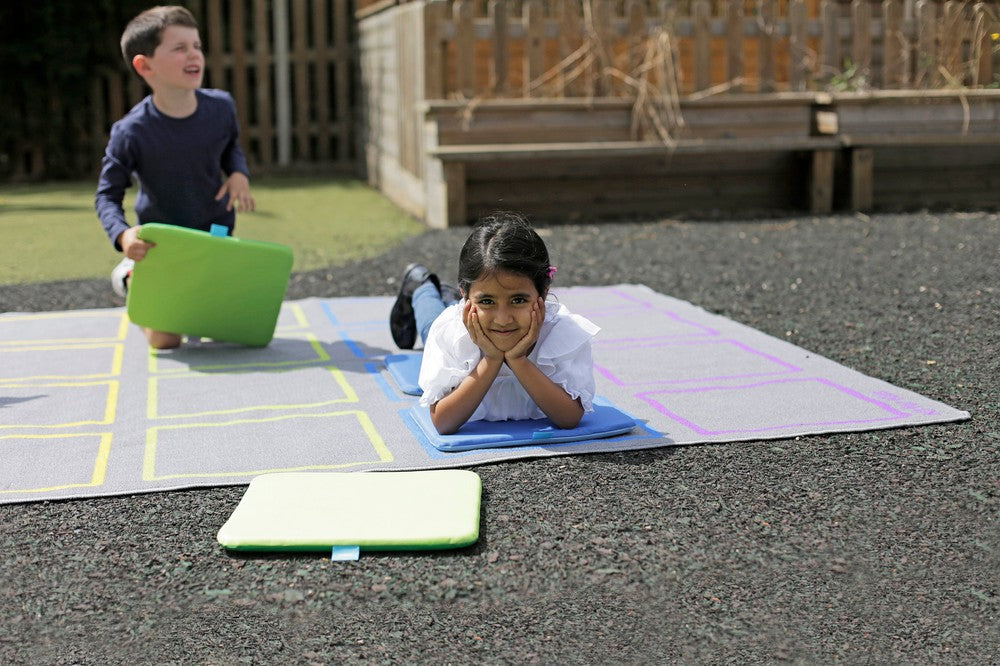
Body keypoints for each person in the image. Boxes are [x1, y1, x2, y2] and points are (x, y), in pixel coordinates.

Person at [94, 5, 256, 349]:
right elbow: (107, 195)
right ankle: (129, 278)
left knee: (233, 332)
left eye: (196, 46)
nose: (194, 54)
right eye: (179, 48)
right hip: (162, 248)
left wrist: (239, 172)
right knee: (166, 342)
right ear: (145, 65)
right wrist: (123, 236)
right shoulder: (130, 132)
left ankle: (199, 298)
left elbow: (230, 146)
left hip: (215, 239)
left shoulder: (222, 106)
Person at [389, 212, 599, 435]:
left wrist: (518, 360)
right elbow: (443, 422)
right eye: (487, 301)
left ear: (544, 293)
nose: (503, 319)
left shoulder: (562, 333)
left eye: (518, 300)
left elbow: (569, 418)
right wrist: (491, 359)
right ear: (466, 296)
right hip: (458, 317)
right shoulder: (451, 332)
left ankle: (452, 295)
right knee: (429, 325)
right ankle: (421, 286)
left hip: (478, 312)